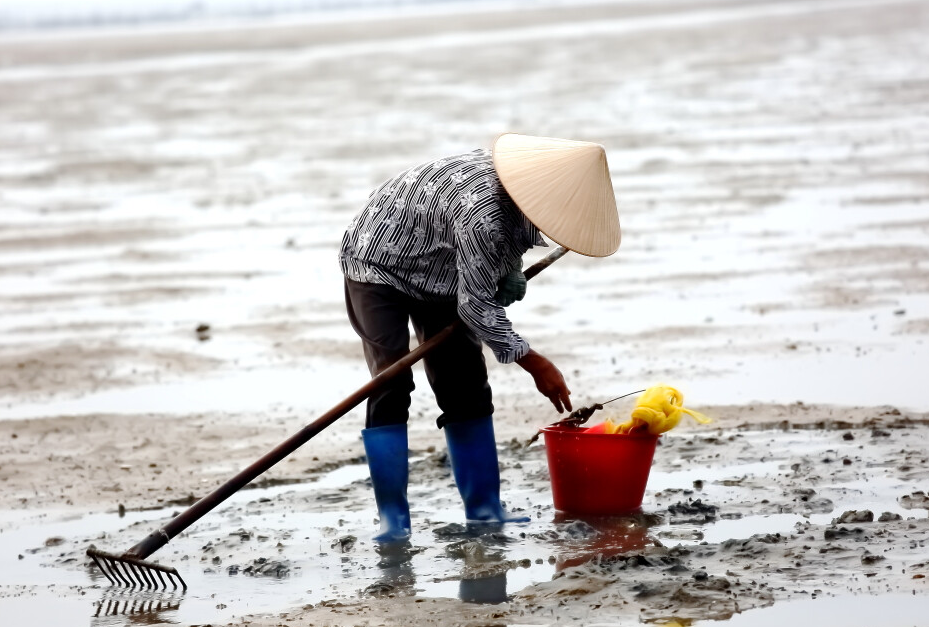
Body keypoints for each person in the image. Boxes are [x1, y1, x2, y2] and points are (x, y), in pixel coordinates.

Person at [338, 133, 621, 542]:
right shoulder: (483, 213)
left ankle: (485, 507)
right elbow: (476, 307)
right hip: (377, 261)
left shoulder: (516, 195)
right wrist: (533, 361)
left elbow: (499, 248)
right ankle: (393, 519)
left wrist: (505, 271)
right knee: (391, 382)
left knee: (465, 384)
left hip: (441, 269)